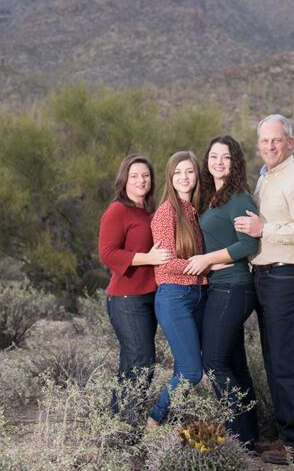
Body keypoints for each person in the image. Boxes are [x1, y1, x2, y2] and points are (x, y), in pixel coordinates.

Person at [234, 114, 294, 465]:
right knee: (276, 361)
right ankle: (287, 437)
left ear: (291, 142)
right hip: (267, 278)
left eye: (276, 140)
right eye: (264, 141)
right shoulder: (267, 179)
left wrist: (265, 229)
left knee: (291, 362)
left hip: (291, 276)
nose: (270, 146)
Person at [182, 135, 261, 447]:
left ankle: (236, 436)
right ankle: (250, 437)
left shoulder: (238, 198)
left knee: (213, 362)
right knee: (234, 364)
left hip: (234, 287)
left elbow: (248, 244)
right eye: (213, 156)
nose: (218, 162)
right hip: (219, 287)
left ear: (235, 162)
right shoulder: (211, 197)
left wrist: (207, 260)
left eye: (225, 157)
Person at [98, 154, 171, 423]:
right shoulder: (118, 210)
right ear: (124, 180)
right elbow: (107, 253)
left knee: (131, 362)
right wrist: (148, 258)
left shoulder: (149, 211)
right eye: (134, 176)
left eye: (146, 176)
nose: (141, 180)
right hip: (126, 299)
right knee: (142, 362)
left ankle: (117, 423)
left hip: (148, 296)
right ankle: (128, 424)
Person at [148, 150, 208, 425]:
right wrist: (208, 265)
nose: (184, 178)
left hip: (197, 295)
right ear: (169, 178)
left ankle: (170, 421)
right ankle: (155, 421)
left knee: (200, 367)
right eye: (177, 173)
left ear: (197, 175)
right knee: (190, 372)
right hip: (174, 297)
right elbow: (165, 264)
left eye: (189, 172)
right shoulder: (165, 213)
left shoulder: (194, 211)